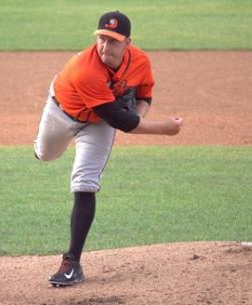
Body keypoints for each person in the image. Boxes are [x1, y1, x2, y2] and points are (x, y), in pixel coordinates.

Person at [34, 10, 183, 287]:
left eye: (113, 40)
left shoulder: (140, 61)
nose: (105, 46)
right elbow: (121, 121)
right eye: (102, 38)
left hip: (98, 123)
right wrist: (164, 128)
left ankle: (71, 263)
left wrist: (139, 115)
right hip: (62, 113)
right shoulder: (86, 69)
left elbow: (144, 95)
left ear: (128, 42)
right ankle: (47, 145)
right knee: (45, 154)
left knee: (84, 182)